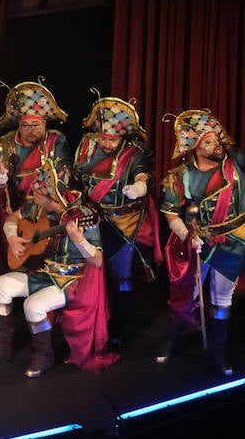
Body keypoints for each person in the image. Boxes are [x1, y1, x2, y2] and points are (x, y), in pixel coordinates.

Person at [0, 159, 104, 378]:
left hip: (70, 280)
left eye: (40, 197)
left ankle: (44, 355)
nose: (35, 200)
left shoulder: (81, 216)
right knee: (0, 285)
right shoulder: (39, 208)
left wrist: (80, 240)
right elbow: (13, 218)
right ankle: (0, 344)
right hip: (43, 271)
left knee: (33, 305)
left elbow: (97, 261)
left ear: (55, 197)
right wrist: (12, 237)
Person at [158, 110, 245, 375]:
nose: (216, 144)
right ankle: (171, 342)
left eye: (216, 139)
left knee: (221, 299)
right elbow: (171, 214)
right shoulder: (179, 175)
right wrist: (187, 236)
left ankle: (218, 353)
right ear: (194, 147)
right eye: (208, 142)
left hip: (234, 241)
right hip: (199, 243)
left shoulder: (237, 161)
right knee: (188, 295)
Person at [73, 94, 158, 349]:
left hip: (124, 222)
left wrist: (138, 188)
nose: (106, 143)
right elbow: (76, 176)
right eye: (103, 137)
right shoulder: (87, 147)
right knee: (88, 272)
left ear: (123, 137)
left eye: (112, 139)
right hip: (93, 219)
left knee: (121, 276)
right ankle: (88, 324)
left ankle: (121, 325)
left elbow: (145, 177)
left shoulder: (136, 154)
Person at [0, 80, 71, 215]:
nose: (31, 130)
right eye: (25, 125)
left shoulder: (55, 140)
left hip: (47, 205)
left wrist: (46, 197)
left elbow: (64, 172)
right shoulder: (6, 143)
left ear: (44, 124)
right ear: (19, 126)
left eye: (35, 125)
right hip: (14, 208)